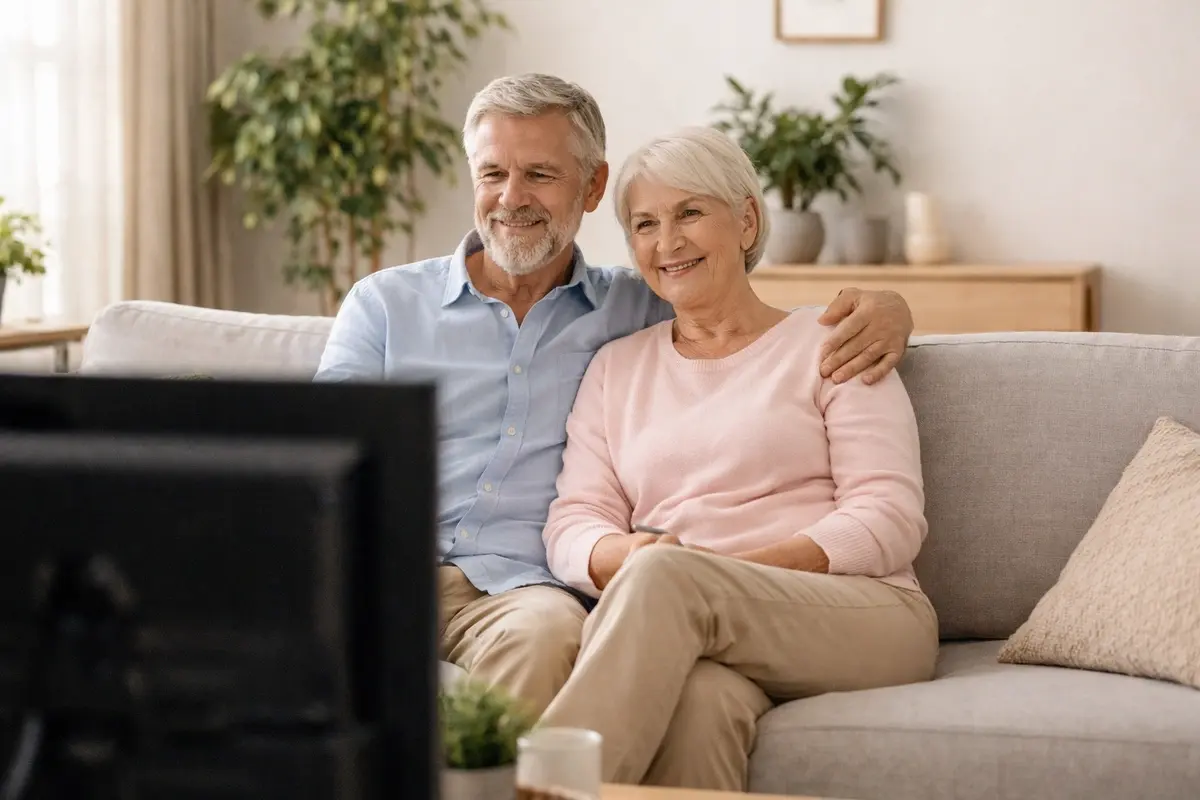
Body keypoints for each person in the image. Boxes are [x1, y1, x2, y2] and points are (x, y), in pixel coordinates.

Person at [313, 74, 916, 719]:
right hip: (377, 572)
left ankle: (533, 773)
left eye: (540, 174)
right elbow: (314, 466)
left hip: (518, 594)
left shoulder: (637, 309)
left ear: (592, 186)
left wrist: (893, 309)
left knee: (546, 637)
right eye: (492, 174)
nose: (511, 198)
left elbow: (736, 317)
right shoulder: (384, 306)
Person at [537, 125, 940, 790]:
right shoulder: (615, 369)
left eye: (690, 212)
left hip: (861, 612)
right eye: (645, 224)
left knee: (668, 578)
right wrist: (627, 555)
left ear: (747, 221)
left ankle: (537, 791)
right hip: (696, 622)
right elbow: (573, 523)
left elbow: (889, 516)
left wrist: (714, 577)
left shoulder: (833, 342)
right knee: (698, 706)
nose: (667, 241)